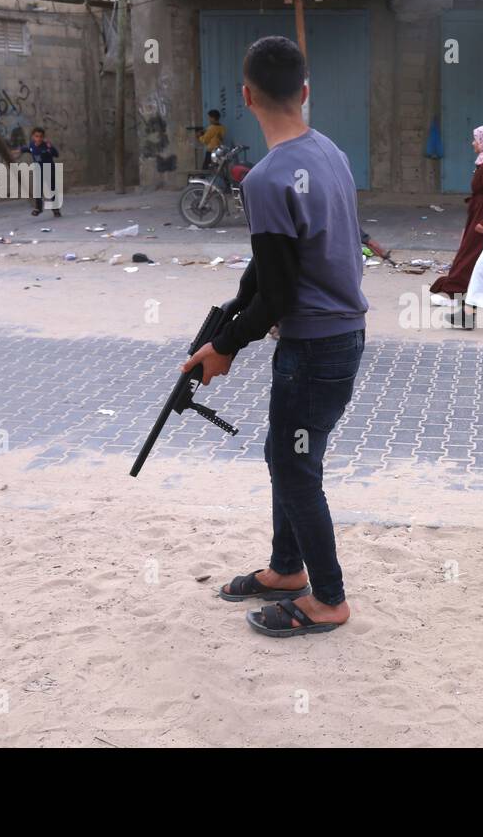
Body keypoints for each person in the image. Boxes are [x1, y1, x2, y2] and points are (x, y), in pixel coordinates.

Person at [182, 35, 368, 638]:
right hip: (340, 338)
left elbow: (280, 293)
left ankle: (329, 598)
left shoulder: (265, 179)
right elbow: (267, 272)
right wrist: (228, 326)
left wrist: (227, 346)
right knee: (286, 456)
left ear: (245, 97)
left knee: (294, 468)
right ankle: (287, 570)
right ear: (305, 93)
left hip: (312, 347)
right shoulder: (330, 152)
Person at [431, 124, 483, 329]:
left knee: (470, 254)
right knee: (471, 253)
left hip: (481, 216)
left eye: (476, 140)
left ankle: (456, 292)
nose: (473, 143)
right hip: (477, 214)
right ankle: (460, 293)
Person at [16, 127, 60, 217]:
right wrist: (18, 150)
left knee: (51, 189)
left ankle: (56, 209)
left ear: (43, 137)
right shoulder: (32, 145)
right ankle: (38, 208)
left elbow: (56, 154)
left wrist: (50, 147)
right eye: (36, 136)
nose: (38, 138)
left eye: (40, 136)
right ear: (33, 137)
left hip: (48, 169)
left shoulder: (46, 146)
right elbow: (27, 149)